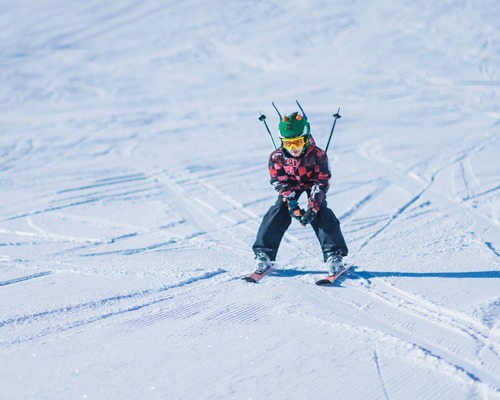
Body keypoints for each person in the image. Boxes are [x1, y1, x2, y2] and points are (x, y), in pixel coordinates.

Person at [252, 110, 348, 275]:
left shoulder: (318, 155)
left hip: (312, 184)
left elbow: (322, 181)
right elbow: (278, 180)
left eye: (297, 142)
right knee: (278, 211)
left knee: (321, 213)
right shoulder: (277, 157)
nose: (293, 148)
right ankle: (264, 253)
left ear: (305, 139)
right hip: (290, 185)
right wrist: (291, 203)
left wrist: (313, 206)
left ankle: (334, 254)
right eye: (288, 144)